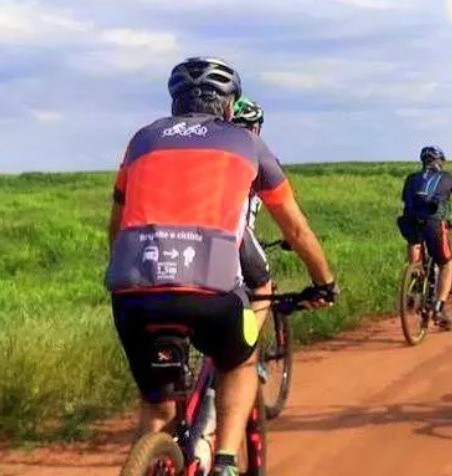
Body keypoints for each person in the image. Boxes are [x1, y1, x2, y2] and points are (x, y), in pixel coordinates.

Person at [105, 57, 339, 476]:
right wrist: (325, 282)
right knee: (240, 363)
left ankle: (153, 456)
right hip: (211, 292)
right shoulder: (247, 143)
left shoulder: (141, 140)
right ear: (229, 106)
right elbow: (298, 230)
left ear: (175, 103)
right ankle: (227, 461)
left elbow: (116, 227)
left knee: (157, 407)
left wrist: (136, 276)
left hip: (132, 292)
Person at [396, 146, 452, 326]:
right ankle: (439, 308)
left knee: (414, 242)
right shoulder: (448, 178)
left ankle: (415, 279)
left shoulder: (411, 178)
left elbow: (406, 202)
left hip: (409, 221)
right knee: (446, 263)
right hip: (434, 223)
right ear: (440, 161)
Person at [229, 96, 275, 381]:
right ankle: (248, 354)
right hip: (236, 237)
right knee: (262, 286)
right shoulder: (257, 157)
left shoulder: (212, 153)